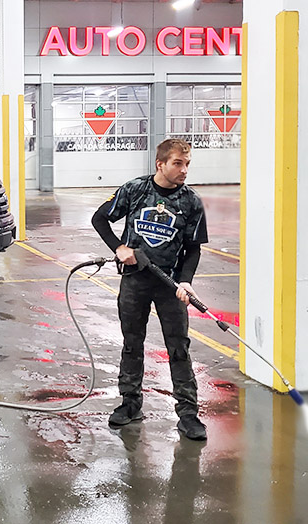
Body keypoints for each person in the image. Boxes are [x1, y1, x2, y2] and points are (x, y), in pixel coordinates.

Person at [91, 138, 209, 441]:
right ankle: (130, 403)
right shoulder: (135, 189)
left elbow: (193, 249)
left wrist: (186, 280)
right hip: (135, 280)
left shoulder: (191, 202)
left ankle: (187, 413)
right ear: (161, 164)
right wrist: (119, 248)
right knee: (132, 343)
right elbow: (100, 218)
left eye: (187, 164)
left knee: (179, 348)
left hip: (170, 286)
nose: (184, 170)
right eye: (177, 164)